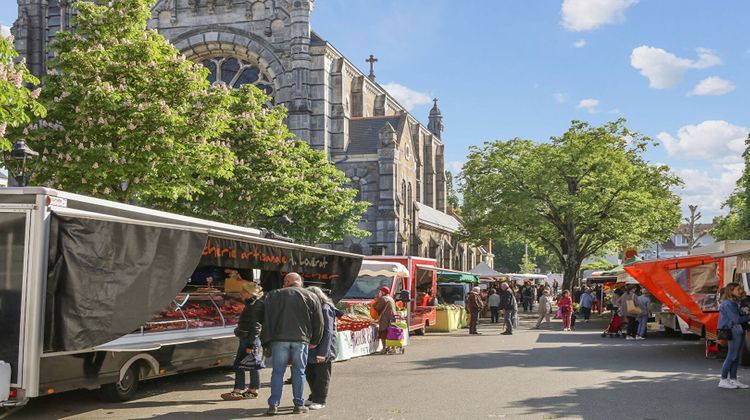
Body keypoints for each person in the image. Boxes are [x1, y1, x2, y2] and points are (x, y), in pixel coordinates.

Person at [262, 272, 324, 416]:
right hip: (301, 339)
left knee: (277, 372)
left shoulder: (273, 295)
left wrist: (266, 340)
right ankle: (298, 404)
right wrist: (315, 340)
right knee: (299, 372)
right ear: (299, 282)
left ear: (288, 281)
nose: (284, 283)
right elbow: (319, 322)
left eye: (285, 281)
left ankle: (273, 405)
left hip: (279, 339)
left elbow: (266, 318)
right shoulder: (311, 296)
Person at [221, 281, 265, 401]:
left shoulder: (254, 306)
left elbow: (256, 326)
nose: (241, 294)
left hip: (249, 340)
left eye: (243, 292)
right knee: (252, 365)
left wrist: (251, 343)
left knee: (240, 365)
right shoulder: (254, 304)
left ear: (249, 293)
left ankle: (238, 390)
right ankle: (252, 390)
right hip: (249, 339)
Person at [304, 287, 342, 410]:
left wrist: (323, 353)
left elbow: (328, 332)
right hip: (312, 347)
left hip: (323, 348)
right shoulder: (314, 308)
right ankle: (314, 395)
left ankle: (320, 399)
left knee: (321, 375)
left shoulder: (325, 308)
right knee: (310, 373)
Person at [718, 283, 750, 389]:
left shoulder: (734, 302)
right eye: (738, 289)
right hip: (733, 330)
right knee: (732, 355)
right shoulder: (728, 304)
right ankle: (723, 379)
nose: (740, 290)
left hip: (737, 330)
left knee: (736, 356)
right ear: (731, 291)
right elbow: (736, 319)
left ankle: (733, 379)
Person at [373, 286, 397, 351]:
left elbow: (378, 308)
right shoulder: (391, 298)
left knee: (383, 333)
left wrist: (375, 302)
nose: (379, 293)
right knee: (391, 333)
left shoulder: (383, 298)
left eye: (380, 291)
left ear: (383, 292)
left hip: (384, 319)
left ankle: (384, 348)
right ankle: (392, 347)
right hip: (392, 318)